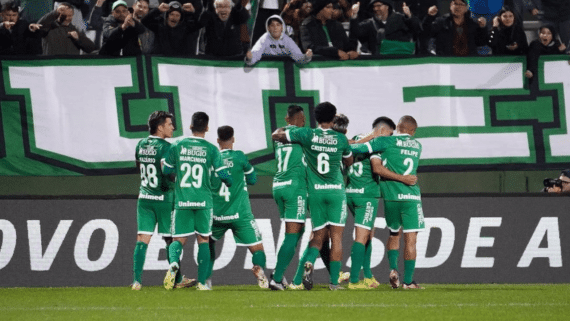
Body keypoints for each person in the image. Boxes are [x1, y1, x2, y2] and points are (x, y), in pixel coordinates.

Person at [272, 101, 353, 291]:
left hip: (315, 192)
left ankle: (307, 265)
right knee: (337, 238)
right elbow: (349, 160)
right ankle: (334, 282)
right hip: (336, 192)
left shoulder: (307, 134)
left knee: (317, 236)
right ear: (333, 118)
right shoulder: (340, 139)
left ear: (315, 118)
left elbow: (278, 136)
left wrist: (282, 129)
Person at [341, 116, 417, 289]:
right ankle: (354, 280)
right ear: (382, 131)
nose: (390, 137)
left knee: (368, 234)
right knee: (362, 237)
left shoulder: (358, 138)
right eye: (389, 134)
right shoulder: (377, 144)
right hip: (367, 194)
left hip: (351, 191)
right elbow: (377, 168)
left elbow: (347, 150)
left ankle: (367, 275)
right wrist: (403, 178)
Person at [162, 112, 233, 291]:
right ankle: (202, 283)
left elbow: (166, 171)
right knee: (203, 239)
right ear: (207, 128)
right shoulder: (211, 149)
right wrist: (229, 180)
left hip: (182, 201)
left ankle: (173, 265)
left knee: (178, 239)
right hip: (203, 202)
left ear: (191, 126)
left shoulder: (177, 145)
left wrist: (176, 177)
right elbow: (224, 175)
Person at [132, 111, 195, 291]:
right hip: (165, 198)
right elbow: (169, 173)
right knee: (171, 239)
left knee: (142, 238)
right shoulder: (167, 147)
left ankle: (136, 281)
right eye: (169, 124)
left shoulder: (141, 144)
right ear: (160, 127)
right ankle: (177, 279)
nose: (172, 127)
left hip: (144, 198)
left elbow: (139, 166)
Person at [207, 126, 269, 289]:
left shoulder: (211, 159)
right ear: (233, 139)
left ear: (218, 141)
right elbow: (253, 179)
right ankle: (260, 271)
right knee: (257, 249)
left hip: (217, 215)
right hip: (240, 214)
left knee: (207, 244)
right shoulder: (240, 157)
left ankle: (206, 280)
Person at [269, 105, 308, 291]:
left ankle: (278, 273)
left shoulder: (279, 133)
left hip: (278, 186)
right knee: (292, 234)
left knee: (296, 231)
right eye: (303, 118)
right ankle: (276, 278)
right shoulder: (303, 134)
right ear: (298, 119)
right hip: (295, 187)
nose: (305, 121)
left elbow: (276, 136)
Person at [349, 0, 421, 55]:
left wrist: (409, 16)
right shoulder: (370, 23)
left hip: (401, 58)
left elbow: (417, 29)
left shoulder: (401, 18)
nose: (375, 9)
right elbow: (356, 33)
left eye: (379, 6)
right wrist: (354, 15)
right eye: (374, 6)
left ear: (387, 6)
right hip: (379, 60)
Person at [422, 0, 487, 56]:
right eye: (455, 3)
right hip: (446, 62)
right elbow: (426, 33)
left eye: (461, 4)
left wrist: (482, 28)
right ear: (450, 6)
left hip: (468, 62)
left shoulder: (472, 24)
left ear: (466, 9)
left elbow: (481, 42)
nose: (457, 6)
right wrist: (429, 16)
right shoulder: (441, 22)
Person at [31, 2, 97, 55]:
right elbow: (39, 26)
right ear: (58, 14)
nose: (67, 18)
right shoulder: (49, 28)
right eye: (64, 15)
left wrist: (78, 39)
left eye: (69, 15)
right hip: (52, 65)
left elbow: (90, 48)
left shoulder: (75, 30)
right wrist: (55, 12)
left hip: (70, 67)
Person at [246, 14, 312, 65]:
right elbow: (256, 53)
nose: (275, 28)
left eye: (278, 25)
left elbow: (298, 56)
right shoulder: (264, 39)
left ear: (282, 27)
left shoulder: (287, 40)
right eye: (272, 25)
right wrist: (250, 58)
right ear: (268, 28)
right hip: (266, 71)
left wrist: (306, 57)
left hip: (282, 73)